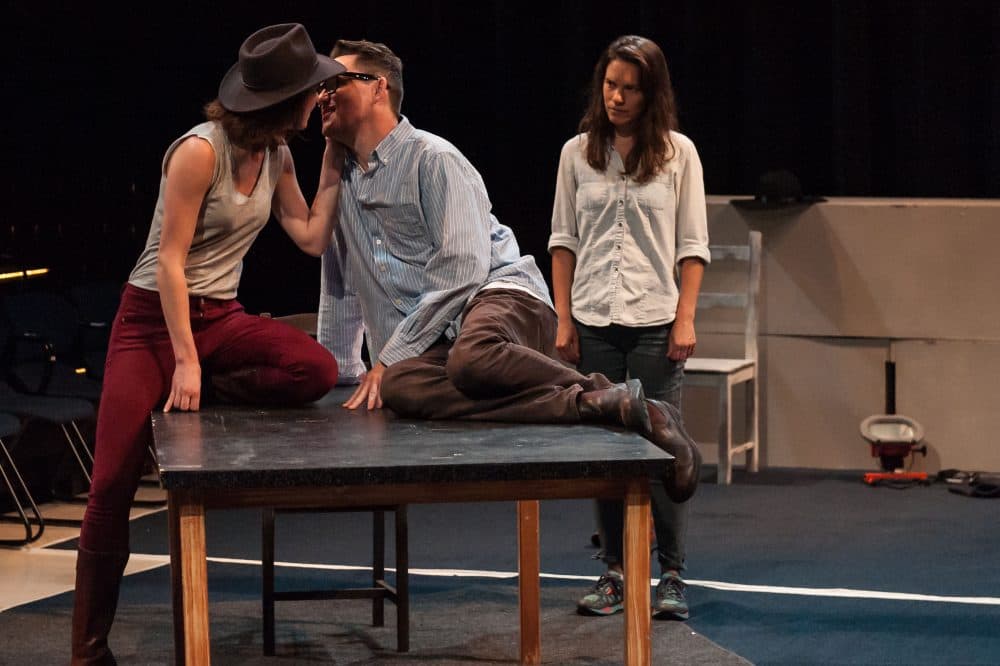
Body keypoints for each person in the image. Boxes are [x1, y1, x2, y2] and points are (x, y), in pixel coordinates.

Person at [71, 24, 345, 664]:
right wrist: (185, 359)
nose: (319, 101)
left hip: (221, 315)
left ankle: (206, 387)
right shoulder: (199, 152)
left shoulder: (279, 156)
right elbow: (168, 262)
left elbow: (308, 234)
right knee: (111, 480)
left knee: (315, 367)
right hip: (151, 320)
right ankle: (87, 650)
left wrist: (333, 160)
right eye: (312, 92)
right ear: (286, 99)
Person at [317, 39, 699, 494]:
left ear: (378, 88)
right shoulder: (343, 180)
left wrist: (387, 356)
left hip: (498, 295)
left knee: (469, 357)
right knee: (402, 387)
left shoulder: (432, 158)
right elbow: (340, 280)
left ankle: (601, 388)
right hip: (441, 340)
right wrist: (344, 373)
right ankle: (604, 401)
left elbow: (463, 269)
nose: (322, 95)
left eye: (335, 82)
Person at [548, 35, 709, 620]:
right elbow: (562, 241)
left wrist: (685, 316)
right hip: (592, 320)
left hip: (653, 322)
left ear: (651, 93)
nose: (616, 97)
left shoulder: (677, 154)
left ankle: (670, 576)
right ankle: (615, 571)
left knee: (664, 449)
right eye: (610, 85)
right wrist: (563, 317)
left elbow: (692, 246)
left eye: (629, 88)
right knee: (604, 453)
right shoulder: (576, 154)